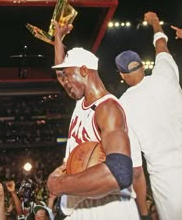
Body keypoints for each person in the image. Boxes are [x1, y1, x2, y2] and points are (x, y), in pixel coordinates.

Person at [47, 21, 141, 220]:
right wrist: (58, 37)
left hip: (108, 208)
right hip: (83, 203)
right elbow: (59, 73)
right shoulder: (81, 100)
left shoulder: (107, 109)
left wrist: (58, 184)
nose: (64, 82)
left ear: (83, 71)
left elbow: (119, 173)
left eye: (67, 75)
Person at [115, 11, 182, 220]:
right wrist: (154, 22)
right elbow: (161, 46)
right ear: (143, 66)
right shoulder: (165, 75)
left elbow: (136, 171)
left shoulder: (123, 105)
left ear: (122, 75)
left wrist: (143, 213)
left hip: (168, 180)